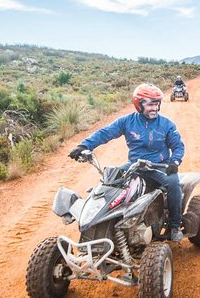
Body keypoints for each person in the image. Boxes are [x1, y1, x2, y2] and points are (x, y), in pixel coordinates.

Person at [68, 83, 186, 241]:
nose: (155, 108)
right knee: (110, 182)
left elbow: (178, 146)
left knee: (173, 184)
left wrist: (174, 162)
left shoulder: (166, 124)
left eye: (157, 104)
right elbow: (105, 133)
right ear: (139, 104)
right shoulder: (127, 122)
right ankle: (108, 223)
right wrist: (84, 145)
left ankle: (174, 226)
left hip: (160, 167)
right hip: (135, 165)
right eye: (150, 104)